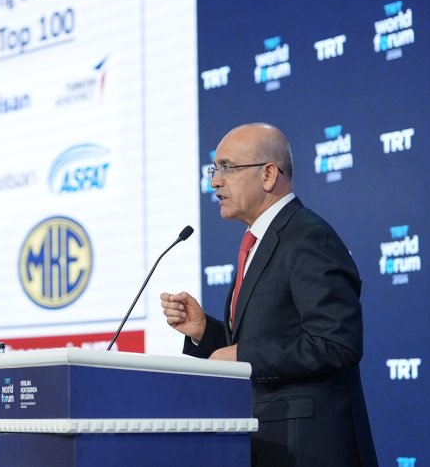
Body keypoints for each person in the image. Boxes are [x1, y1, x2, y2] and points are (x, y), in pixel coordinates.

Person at [161, 123, 378, 466]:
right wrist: (205, 331)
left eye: (227, 168)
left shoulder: (308, 237)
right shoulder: (259, 241)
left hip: (309, 448)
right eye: (213, 169)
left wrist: (242, 354)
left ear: (268, 174)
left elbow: (336, 343)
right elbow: (265, 339)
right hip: (267, 444)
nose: (215, 181)